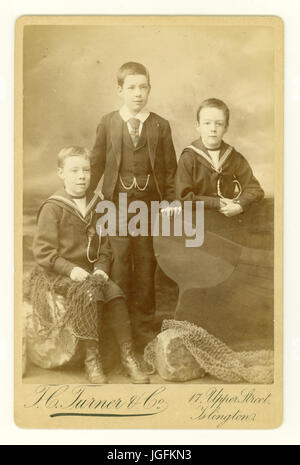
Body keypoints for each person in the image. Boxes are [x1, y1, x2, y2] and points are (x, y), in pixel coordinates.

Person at [32, 145, 149, 384]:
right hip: (62, 272)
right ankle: (92, 359)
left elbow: (105, 246)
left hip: (91, 272)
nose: (81, 176)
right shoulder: (53, 207)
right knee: (89, 295)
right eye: (74, 171)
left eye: (85, 170)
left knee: (115, 293)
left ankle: (128, 358)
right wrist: (71, 270)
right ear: (61, 173)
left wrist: (101, 269)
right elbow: (44, 252)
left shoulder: (98, 204)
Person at [89, 62, 178, 350]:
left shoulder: (159, 125)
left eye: (143, 87)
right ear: (120, 90)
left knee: (145, 270)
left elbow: (170, 171)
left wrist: (170, 201)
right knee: (118, 269)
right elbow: (96, 163)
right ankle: (119, 337)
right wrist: (87, 198)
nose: (138, 94)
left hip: (149, 210)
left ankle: (144, 337)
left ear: (149, 89)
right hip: (116, 208)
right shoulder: (108, 122)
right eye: (131, 88)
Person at [176, 98, 264, 214]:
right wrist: (216, 203)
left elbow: (255, 189)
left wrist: (240, 204)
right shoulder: (189, 157)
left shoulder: (233, 156)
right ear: (198, 126)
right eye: (207, 123)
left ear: (226, 128)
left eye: (219, 124)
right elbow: (183, 198)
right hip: (197, 221)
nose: (213, 129)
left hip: (227, 220)